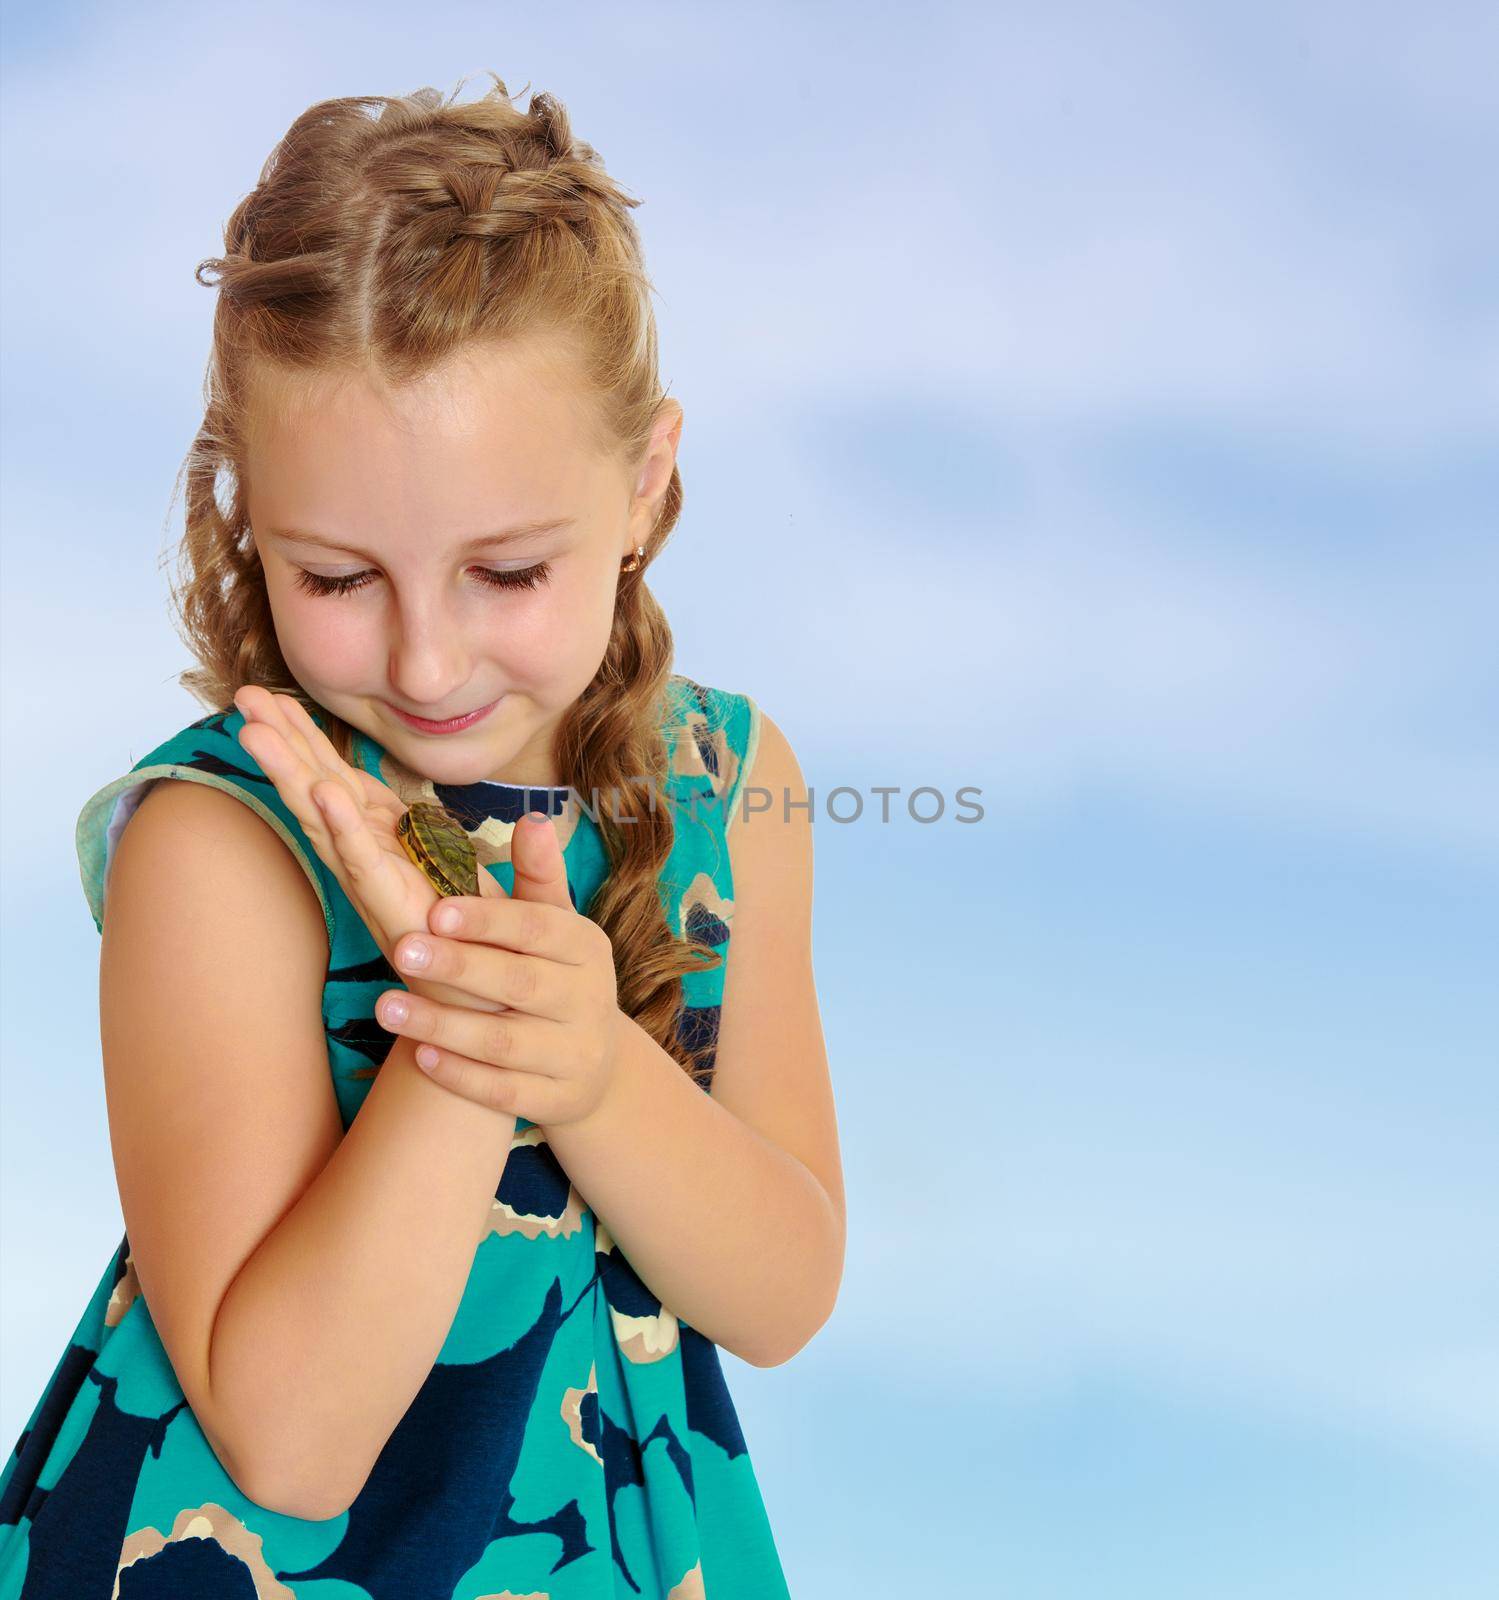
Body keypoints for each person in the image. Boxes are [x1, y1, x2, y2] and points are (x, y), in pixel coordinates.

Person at [0, 76, 843, 1597]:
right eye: (338, 577)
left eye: (507, 571)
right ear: (250, 512)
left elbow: (781, 1297)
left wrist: (588, 1069)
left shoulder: (729, 780)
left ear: (644, 485)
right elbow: (291, 1446)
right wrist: (469, 1030)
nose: (427, 665)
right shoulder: (218, 841)